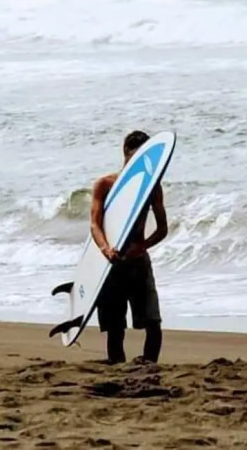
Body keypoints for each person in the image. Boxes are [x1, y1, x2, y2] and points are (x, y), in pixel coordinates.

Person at [90, 130, 169, 364]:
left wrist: (143, 245)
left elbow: (162, 229)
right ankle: (118, 369)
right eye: (135, 156)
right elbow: (94, 224)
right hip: (110, 264)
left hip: (138, 263)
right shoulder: (105, 185)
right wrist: (106, 249)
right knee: (115, 328)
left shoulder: (152, 187)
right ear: (125, 153)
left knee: (153, 323)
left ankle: (149, 368)